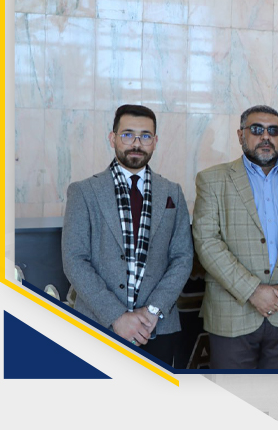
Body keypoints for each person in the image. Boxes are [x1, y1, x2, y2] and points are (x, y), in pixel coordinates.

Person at [192, 105, 278, 369]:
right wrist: (253, 291)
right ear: (240, 135)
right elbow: (207, 241)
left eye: (273, 131)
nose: (266, 137)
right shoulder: (212, 180)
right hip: (232, 314)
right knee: (232, 394)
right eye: (256, 129)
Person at [62, 104, 193, 366]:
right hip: (98, 323)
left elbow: (182, 257)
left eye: (145, 136)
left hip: (157, 327)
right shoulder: (84, 192)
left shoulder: (172, 192)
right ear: (113, 139)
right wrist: (117, 316)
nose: (136, 143)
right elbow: (74, 260)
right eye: (127, 134)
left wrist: (153, 311)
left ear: (155, 142)